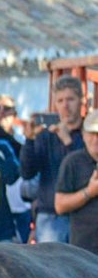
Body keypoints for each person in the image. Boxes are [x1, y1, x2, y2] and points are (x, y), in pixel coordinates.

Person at [21, 75, 86, 244]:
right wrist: (29, 140)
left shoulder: (90, 133)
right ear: (55, 104)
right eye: (60, 100)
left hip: (82, 213)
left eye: (70, 99)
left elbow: (84, 171)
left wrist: (68, 142)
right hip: (50, 215)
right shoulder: (46, 135)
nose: (65, 106)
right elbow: (27, 172)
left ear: (81, 100)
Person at [0, 94, 31, 242]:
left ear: (15, 114)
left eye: (7, 108)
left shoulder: (23, 140)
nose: (1, 112)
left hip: (21, 207)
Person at [53, 111, 98, 254]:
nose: (95, 140)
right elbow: (60, 205)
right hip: (83, 250)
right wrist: (89, 192)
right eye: (91, 134)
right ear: (83, 135)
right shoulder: (73, 162)